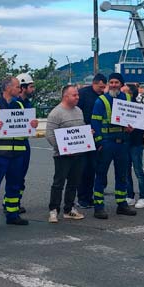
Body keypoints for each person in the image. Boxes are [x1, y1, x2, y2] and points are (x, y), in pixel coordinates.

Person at [0, 76, 38, 230]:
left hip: (17, 153)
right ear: (7, 87)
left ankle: (13, 215)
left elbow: (27, 126)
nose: (20, 89)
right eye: (17, 86)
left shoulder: (19, 105)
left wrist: (33, 124)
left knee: (14, 184)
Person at [90, 72, 137, 219]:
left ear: (121, 84)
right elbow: (95, 123)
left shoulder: (128, 98)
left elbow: (133, 118)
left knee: (122, 175)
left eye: (117, 82)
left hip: (122, 143)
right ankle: (98, 206)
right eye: (112, 82)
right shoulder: (101, 101)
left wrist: (132, 127)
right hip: (107, 143)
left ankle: (121, 203)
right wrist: (99, 142)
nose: (114, 85)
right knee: (101, 175)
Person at [44, 84, 87, 223]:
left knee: (74, 182)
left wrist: (87, 134)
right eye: (74, 95)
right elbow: (49, 135)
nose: (77, 97)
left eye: (78, 95)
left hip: (78, 154)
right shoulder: (56, 113)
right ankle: (53, 210)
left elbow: (81, 128)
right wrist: (63, 148)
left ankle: (69, 209)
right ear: (65, 96)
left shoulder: (79, 111)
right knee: (58, 183)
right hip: (62, 156)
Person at [76, 74, 106, 209]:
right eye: (101, 86)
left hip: (97, 137)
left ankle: (89, 197)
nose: (103, 89)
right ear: (96, 83)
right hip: (83, 136)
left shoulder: (102, 97)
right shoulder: (82, 94)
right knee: (83, 169)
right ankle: (82, 198)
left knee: (93, 168)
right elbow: (76, 113)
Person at [14, 72, 36, 215]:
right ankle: (11, 202)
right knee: (15, 175)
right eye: (31, 86)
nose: (33, 89)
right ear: (22, 87)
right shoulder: (13, 104)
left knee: (21, 175)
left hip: (25, 142)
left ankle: (16, 201)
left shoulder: (27, 103)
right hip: (14, 145)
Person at [125, 83, 144, 209]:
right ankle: (130, 195)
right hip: (125, 143)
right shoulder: (121, 107)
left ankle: (143, 197)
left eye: (125, 92)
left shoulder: (139, 108)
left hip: (136, 143)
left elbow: (143, 127)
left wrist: (133, 129)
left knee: (138, 170)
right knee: (126, 170)